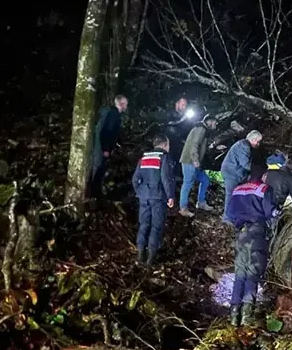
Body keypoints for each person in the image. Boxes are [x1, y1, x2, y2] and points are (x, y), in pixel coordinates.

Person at [225, 164, 278, 326]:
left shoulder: (237, 189)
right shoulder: (264, 189)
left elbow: (229, 213)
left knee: (240, 271)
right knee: (253, 271)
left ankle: (234, 314)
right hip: (257, 233)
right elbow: (271, 212)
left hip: (241, 233)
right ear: (263, 175)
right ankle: (247, 315)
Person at [132, 135, 176, 266]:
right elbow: (166, 179)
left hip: (144, 196)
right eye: (168, 145)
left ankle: (140, 253)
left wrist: (140, 191)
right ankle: (151, 258)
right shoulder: (164, 157)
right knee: (156, 226)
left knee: (144, 224)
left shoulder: (144, 158)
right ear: (164, 145)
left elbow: (135, 179)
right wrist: (170, 196)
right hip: (158, 196)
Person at [178, 114, 218, 217]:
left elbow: (202, 146)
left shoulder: (204, 130)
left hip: (195, 162)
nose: (216, 124)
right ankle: (183, 208)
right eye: (215, 122)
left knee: (205, 180)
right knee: (187, 183)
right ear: (209, 121)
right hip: (189, 161)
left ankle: (201, 203)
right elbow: (194, 145)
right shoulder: (200, 129)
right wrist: (195, 160)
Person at [220, 130, 262, 222]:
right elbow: (245, 163)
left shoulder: (244, 144)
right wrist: (257, 169)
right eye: (258, 142)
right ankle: (227, 219)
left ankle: (235, 215)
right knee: (230, 195)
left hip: (235, 172)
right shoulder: (244, 146)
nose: (258, 144)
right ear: (254, 140)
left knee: (237, 194)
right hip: (231, 172)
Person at [91, 95, 128, 197]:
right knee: (99, 167)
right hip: (102, 147)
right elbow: (107, 131)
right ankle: (94, 193)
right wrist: (106, 149)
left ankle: (95, 192)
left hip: (103, 146)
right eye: (125, 104)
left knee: (100, 168)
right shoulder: (113, 115)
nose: (126, 106)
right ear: (121, 104)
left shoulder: (113, 114)